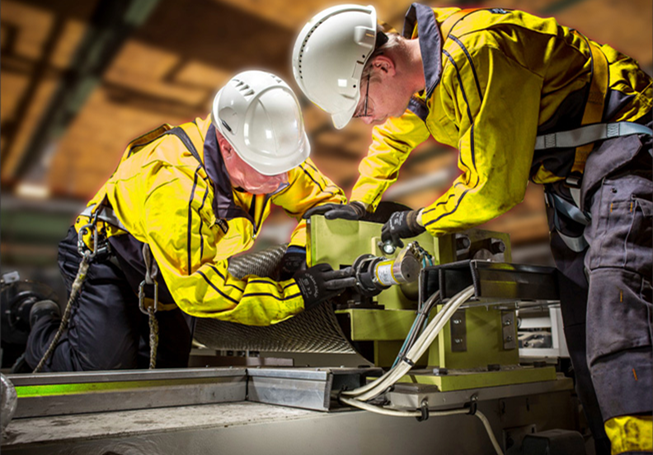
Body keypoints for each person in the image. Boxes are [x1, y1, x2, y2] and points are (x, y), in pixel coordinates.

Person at [293, 4, 652, 454]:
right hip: (571, 175)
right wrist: (361, 201)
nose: (366, 119)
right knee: (582, 325)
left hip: (625, 144)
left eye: (362, 106)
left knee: (617, 300)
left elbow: (492, 190)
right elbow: (393, 138)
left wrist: (414, 220)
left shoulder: (477, 52)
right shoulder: (422, 74)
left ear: (382, 66)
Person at [24, 70, 351, 373]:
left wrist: (299, 251)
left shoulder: (269, 155)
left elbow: (326, 203)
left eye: (289, 163)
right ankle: (35, 316)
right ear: (227, 146)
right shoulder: (176, 186)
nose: (284, 178)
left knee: (166, 368)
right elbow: (199, 292)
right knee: (102, 367)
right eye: (269, 168)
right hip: (108, 254)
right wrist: (296, 294)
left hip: (167, 262)